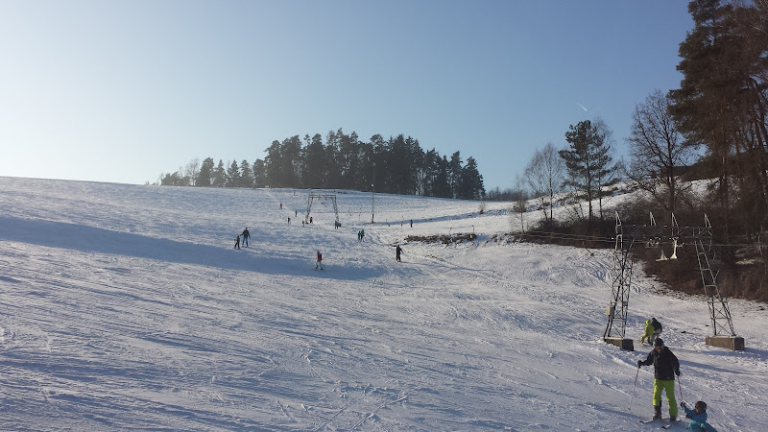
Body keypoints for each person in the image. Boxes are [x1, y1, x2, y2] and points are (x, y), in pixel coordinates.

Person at [638, 338, 680, 422]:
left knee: (670, 397)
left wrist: (676, 369)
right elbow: (649, 361)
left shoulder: (667, 353)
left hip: (668, 379)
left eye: (660, 347)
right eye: (657, 347)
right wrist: (642, 363)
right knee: (656, 395)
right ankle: (657, 413)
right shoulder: (653, 353)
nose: (659, 349)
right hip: (658, 378)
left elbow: (675, 361)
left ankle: (673, 416)